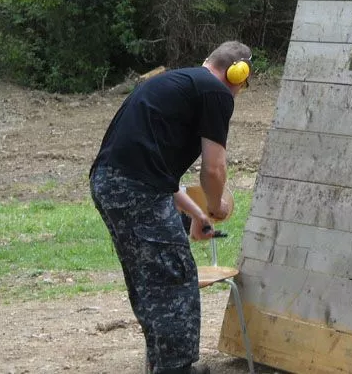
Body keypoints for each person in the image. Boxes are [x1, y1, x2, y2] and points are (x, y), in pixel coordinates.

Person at [89, 41, 252, 374]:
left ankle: (161, 362)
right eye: (243, 85)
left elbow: (159, 173)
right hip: (137, 188)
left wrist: (197, 214)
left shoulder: (177, 84)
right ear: (238, 73)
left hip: (111, 183)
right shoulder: (216, 93)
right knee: (175, 276)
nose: (239, 92)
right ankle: (176, 368)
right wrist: (216, 204)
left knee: (150, 278)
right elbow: (213, 169)